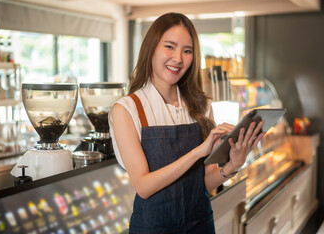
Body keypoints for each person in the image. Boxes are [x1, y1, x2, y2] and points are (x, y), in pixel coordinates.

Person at [109, 12, 265, 234]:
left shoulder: (201, 107)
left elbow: (202, 183)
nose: (178, 58)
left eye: (187, 51)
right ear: (151, 48)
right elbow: (143, 187)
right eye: (169, 47)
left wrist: (233, 165)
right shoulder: (127, 109)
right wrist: (198, 153)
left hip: (200, 225)